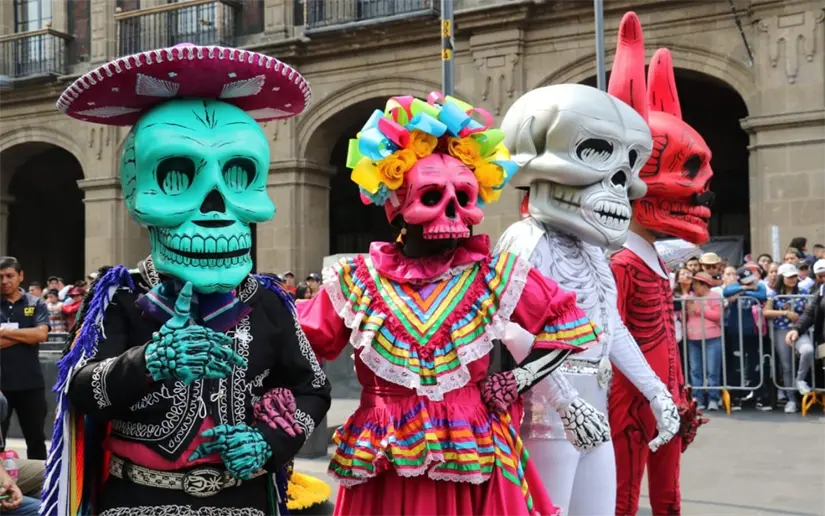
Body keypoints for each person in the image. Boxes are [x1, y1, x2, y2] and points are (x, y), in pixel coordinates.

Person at [42, 43, 332, 516]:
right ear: (136, 192)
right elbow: (78, 388)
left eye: (239, 176)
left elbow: (313, 387)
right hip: (137, 501)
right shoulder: (121, 296)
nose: (216, 213)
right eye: (175, 176)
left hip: (244, 500)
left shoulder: (267, 301)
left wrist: (268, 441)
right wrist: (149, 361)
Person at [297, 92, 603, 516]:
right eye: (431, 197)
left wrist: (519, 380)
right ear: (397, 204)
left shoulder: (495, 275)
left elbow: (567, 325)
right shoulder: (357, 281)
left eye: (465, 198)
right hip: (383, 454)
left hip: (470, 449)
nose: (454, 214)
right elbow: (301, 341)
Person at [495, 83, 680, 516]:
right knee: (547, 508)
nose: (622, 185)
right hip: (544, 414)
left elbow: (609, 327)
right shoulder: (525, 239)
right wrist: (565, 401)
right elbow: (512, 332)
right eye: (597, 156)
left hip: (593, 403)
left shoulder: (594, 249)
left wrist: (656, 391)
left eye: (629, 166)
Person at [606, 12, 709, 515]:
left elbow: (682, 252)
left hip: (665, 395)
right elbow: (611, 335)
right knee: (624, 498)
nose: (702, 189)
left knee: (668, 498)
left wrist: (676, 390)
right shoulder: (622, 262)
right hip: (629, 404)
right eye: (686, 172)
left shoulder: (652, 258)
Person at [0, 257, 49, 461]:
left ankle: (40, 488)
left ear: (20, 276)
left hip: (31, 384)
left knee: (36, 440)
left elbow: (41, 335)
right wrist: (25, 336)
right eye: (0, 277)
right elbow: (33, 335)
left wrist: (5, 332)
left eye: (9, 276)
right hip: (1, 387)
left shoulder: (35, 303)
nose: (4, 281)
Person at [764, 263, 812, 413]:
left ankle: (799, 380)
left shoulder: (803, 291)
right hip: (781, 331)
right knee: (786, 366)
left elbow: (809, 311)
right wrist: (784, 313)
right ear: (781, 278)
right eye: (788, 277)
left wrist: (801, 317)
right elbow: (766, 312)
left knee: (807, 351)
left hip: (799, 330)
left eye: (794, 276)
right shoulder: (773, 293)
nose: (792, 280)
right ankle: (791, 399)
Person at [723, 266, 770, 410]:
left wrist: (743, 291)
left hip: (753, 333)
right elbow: (726, 292)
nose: (750, 283)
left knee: (755, 364)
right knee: (737, 366)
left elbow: (762, 295)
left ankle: (759, 396)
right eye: (746, 281)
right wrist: (744, 288)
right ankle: (737, 397)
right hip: (735, 332)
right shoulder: (735, 286)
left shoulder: (759, 285)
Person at [685, 272, 724, 411]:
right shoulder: (689, 298)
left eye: (696, 284)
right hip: (693, 338)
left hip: (712, 337)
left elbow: (718, 316)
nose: (694, 287)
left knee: (712, 370)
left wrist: (699, 310)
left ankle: (713, 398)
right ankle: (698, 398)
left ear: (704, 285)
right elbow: (685, 316)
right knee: (695, 370)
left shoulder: (715, 296)